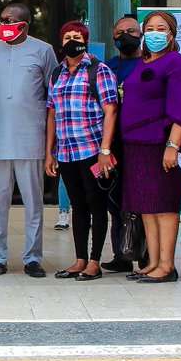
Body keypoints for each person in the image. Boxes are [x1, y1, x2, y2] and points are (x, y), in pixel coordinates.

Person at [0, 3, 58, 278]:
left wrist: (51, 144)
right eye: (1, 19)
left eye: (9, 20)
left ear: (24, 24)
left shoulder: (43, 50)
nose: (3, 24)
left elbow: (53, 93)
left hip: (31, 137)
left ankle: (33, 258)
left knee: (33, 203)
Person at [119, 10, 181, 284]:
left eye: (161, 29)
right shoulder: (143, 61)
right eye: (149, 28)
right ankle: (152, 261)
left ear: (171, 34)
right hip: (135, 144)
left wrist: (173, 146)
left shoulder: (177, 62)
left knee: (163, 205)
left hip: (160, 143)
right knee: (145, 205)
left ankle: (167, 264)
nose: (154, 33)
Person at [45, 21, 118, 281]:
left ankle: (94, 262)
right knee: (77, 205)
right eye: (67, 37)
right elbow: (51, 113)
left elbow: (111, 110)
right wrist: (49, 152)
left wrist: (105, 150)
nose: (72, 41)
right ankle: (79, 259)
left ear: (85, 41)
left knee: (96, 204)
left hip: (92, 149)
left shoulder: (99, 70)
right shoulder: (57, 73)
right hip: (66, 151)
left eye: (77, 36)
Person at [101, 15, 145, 272]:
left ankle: (147, 255)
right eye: (119, 32)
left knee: (142, 200)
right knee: (115, 200)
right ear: (112, 38)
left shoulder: (149, 63)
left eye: (131, 31)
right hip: (113, 142)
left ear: (141, 35)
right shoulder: (107, 68)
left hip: (142, 142)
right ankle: (122, 254)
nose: (125, 36)